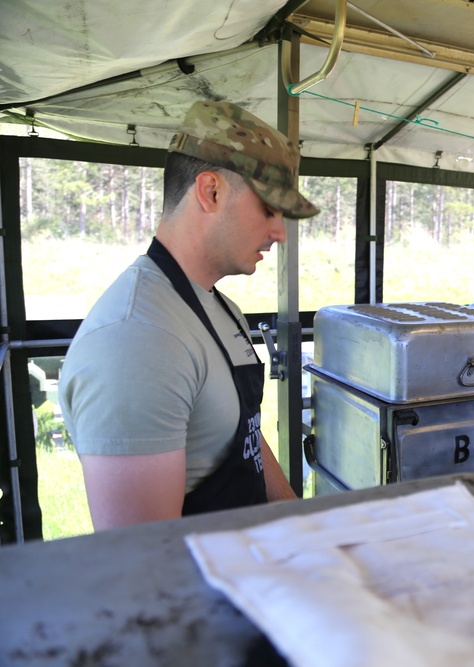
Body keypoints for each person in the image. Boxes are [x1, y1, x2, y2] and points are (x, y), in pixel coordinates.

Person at [60, 100, 320, 530]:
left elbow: (242, 436)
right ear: (210, 191)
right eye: (269, 209)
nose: (279, 233)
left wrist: (301, 519)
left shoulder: (219, 306)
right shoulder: (138, 341)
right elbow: (143, 557)